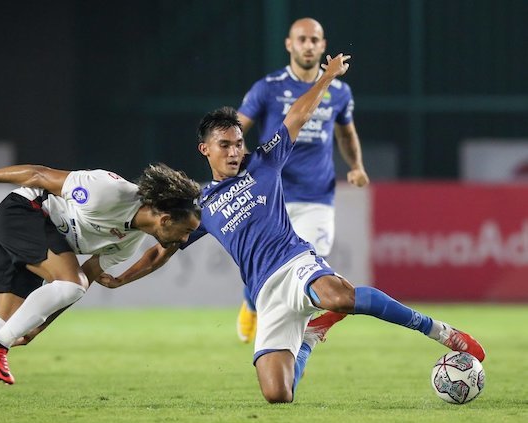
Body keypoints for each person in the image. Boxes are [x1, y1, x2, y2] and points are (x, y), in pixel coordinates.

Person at [100, 53, 486, 403]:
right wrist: (119, 279)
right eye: (225, 145)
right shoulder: (200, 204)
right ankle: (310, 338)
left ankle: (437, 330)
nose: (234, 151)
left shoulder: (263, 162)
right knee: (277, 395)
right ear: (206, 150)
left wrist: (326, 78)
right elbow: (158, 250)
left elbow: (297, 116)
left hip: (294, 261)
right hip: (265, 293)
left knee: (338, 296)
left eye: (237, 142)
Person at [0, 154, 202, 409]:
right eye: (185, 230)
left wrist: (38, 327)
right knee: (58, 291)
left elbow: (80, 284)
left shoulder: (128, 243)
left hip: (40, 233)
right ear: (164, 219)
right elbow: (39, 175)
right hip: (23, 212)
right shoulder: (108, 191)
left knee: (4, 322)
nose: (185, 239)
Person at [235, 17, 369, 343]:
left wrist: (356, 166)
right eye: (302, 39)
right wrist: (244, 163)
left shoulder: (339, 91)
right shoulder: (267, 87)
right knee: (264, 267)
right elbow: (236, 129)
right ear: (289, 44)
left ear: (322, 46)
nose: (308, 45)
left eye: (314, 40)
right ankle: (252, 303)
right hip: (272, 195)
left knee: (306, 265)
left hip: (316, 197)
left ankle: (290, 336)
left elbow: (346, 134)